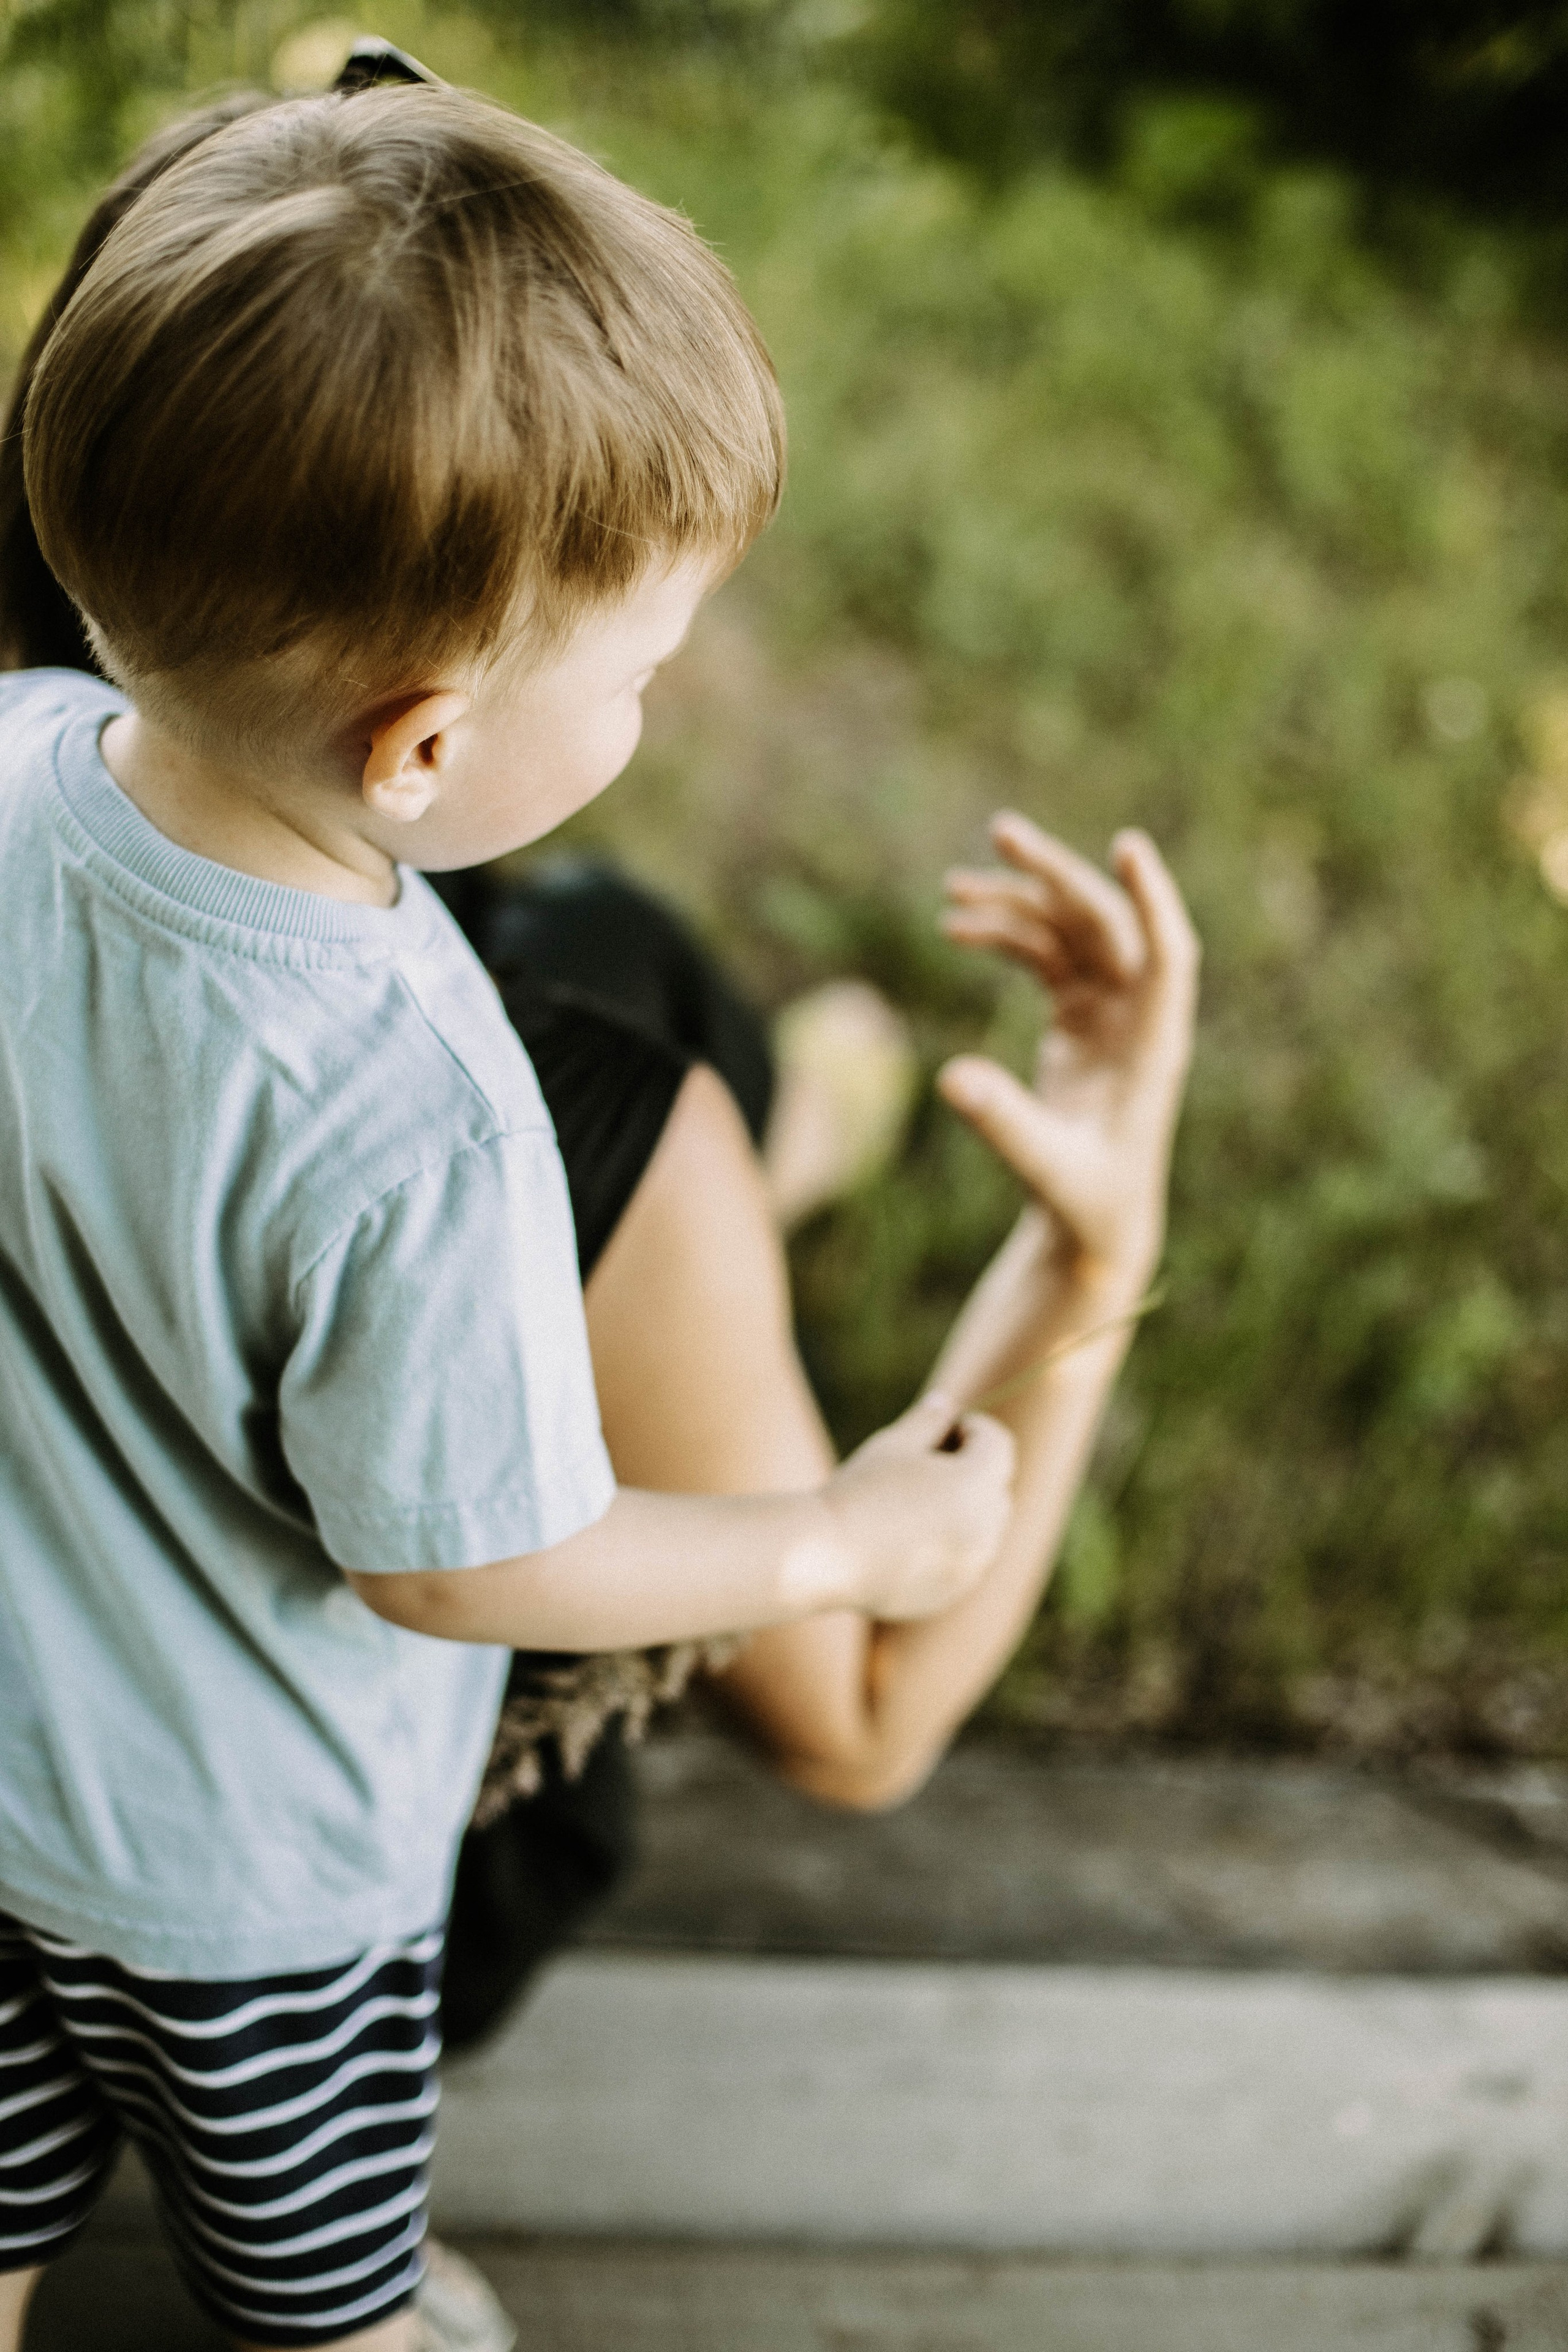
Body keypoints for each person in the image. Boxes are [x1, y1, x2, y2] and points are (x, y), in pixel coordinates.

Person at [0, 66, 1197, 2352]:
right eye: (646, 670)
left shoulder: (17, 757)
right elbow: (457, 1552)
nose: (659, 696)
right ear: (422, 747)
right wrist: (838, 1532)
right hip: (263, 1898)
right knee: (327, 2308)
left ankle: (796, 1118)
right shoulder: (448, 1124)